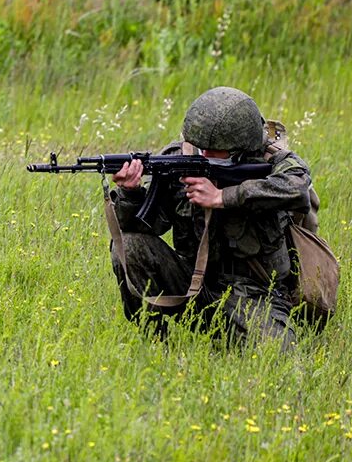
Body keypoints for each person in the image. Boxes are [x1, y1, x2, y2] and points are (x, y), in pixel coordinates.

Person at [107, 86, 313, 348]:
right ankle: (156, 346)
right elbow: (146, 226)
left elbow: (297, 189)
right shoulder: (179, 158)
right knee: (129, 245)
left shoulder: (274, 161)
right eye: (199, 146)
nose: (202, 154)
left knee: (279, 356)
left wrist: (222, 197)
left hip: (256, 295)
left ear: (240, 148)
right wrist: (131, 192)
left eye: (212, 149)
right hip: (192, 285)